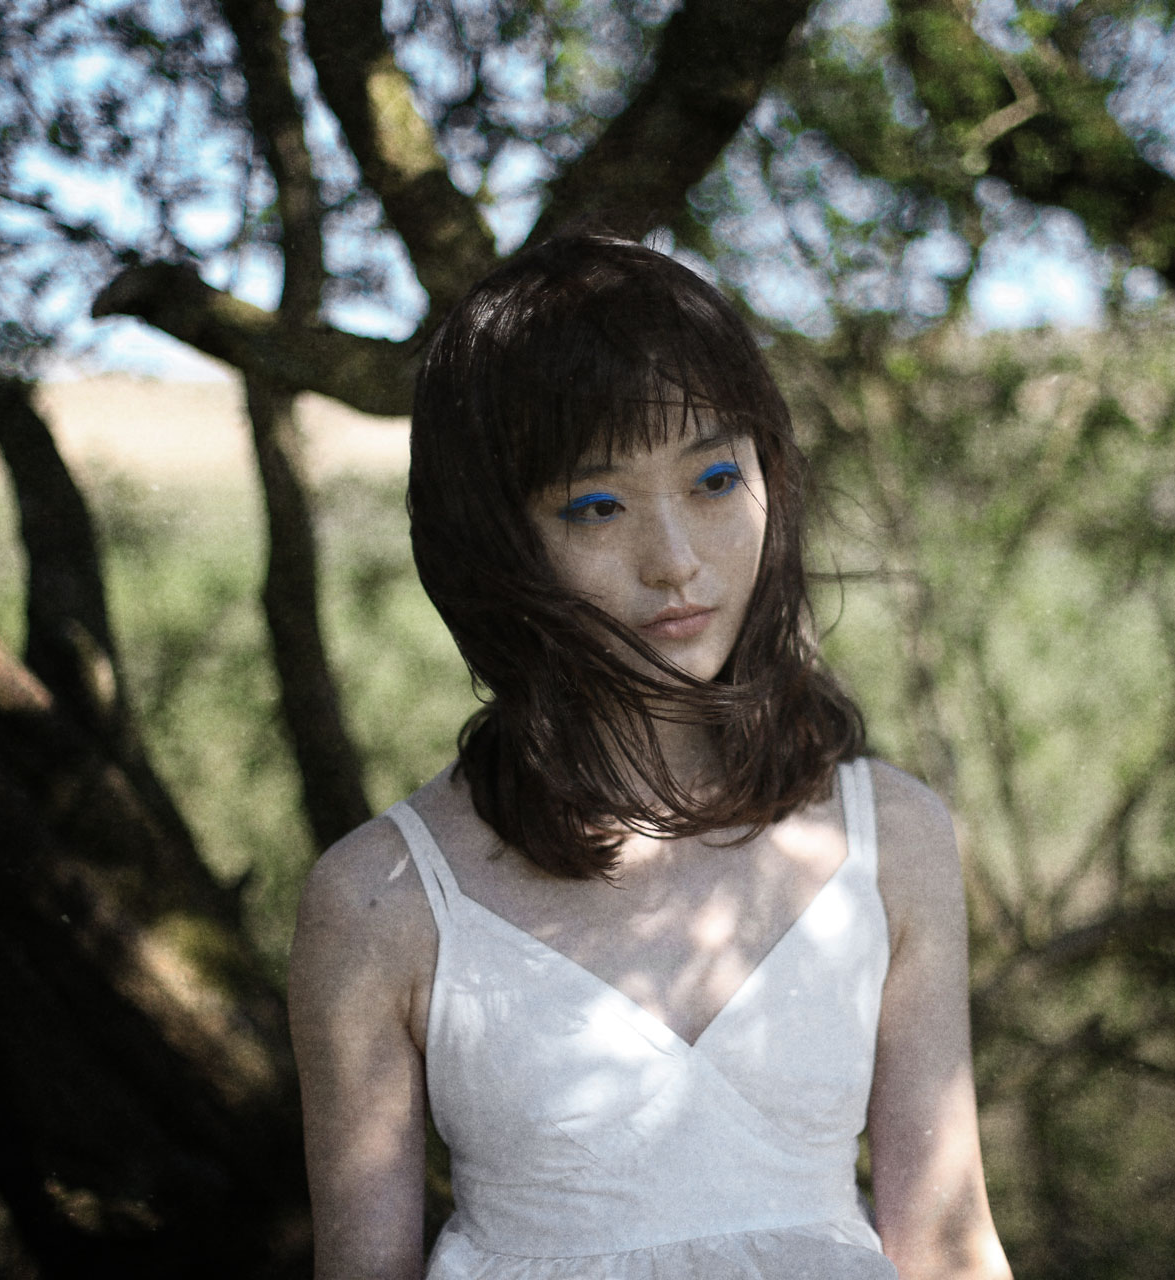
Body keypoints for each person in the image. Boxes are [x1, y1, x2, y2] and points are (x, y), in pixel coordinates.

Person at [287, 235, 1012, 1280]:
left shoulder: (890, 835)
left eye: (716, 477)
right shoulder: (376, 901)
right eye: (598, 504)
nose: (675, 558)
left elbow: (946, 1242)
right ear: (497, 541)